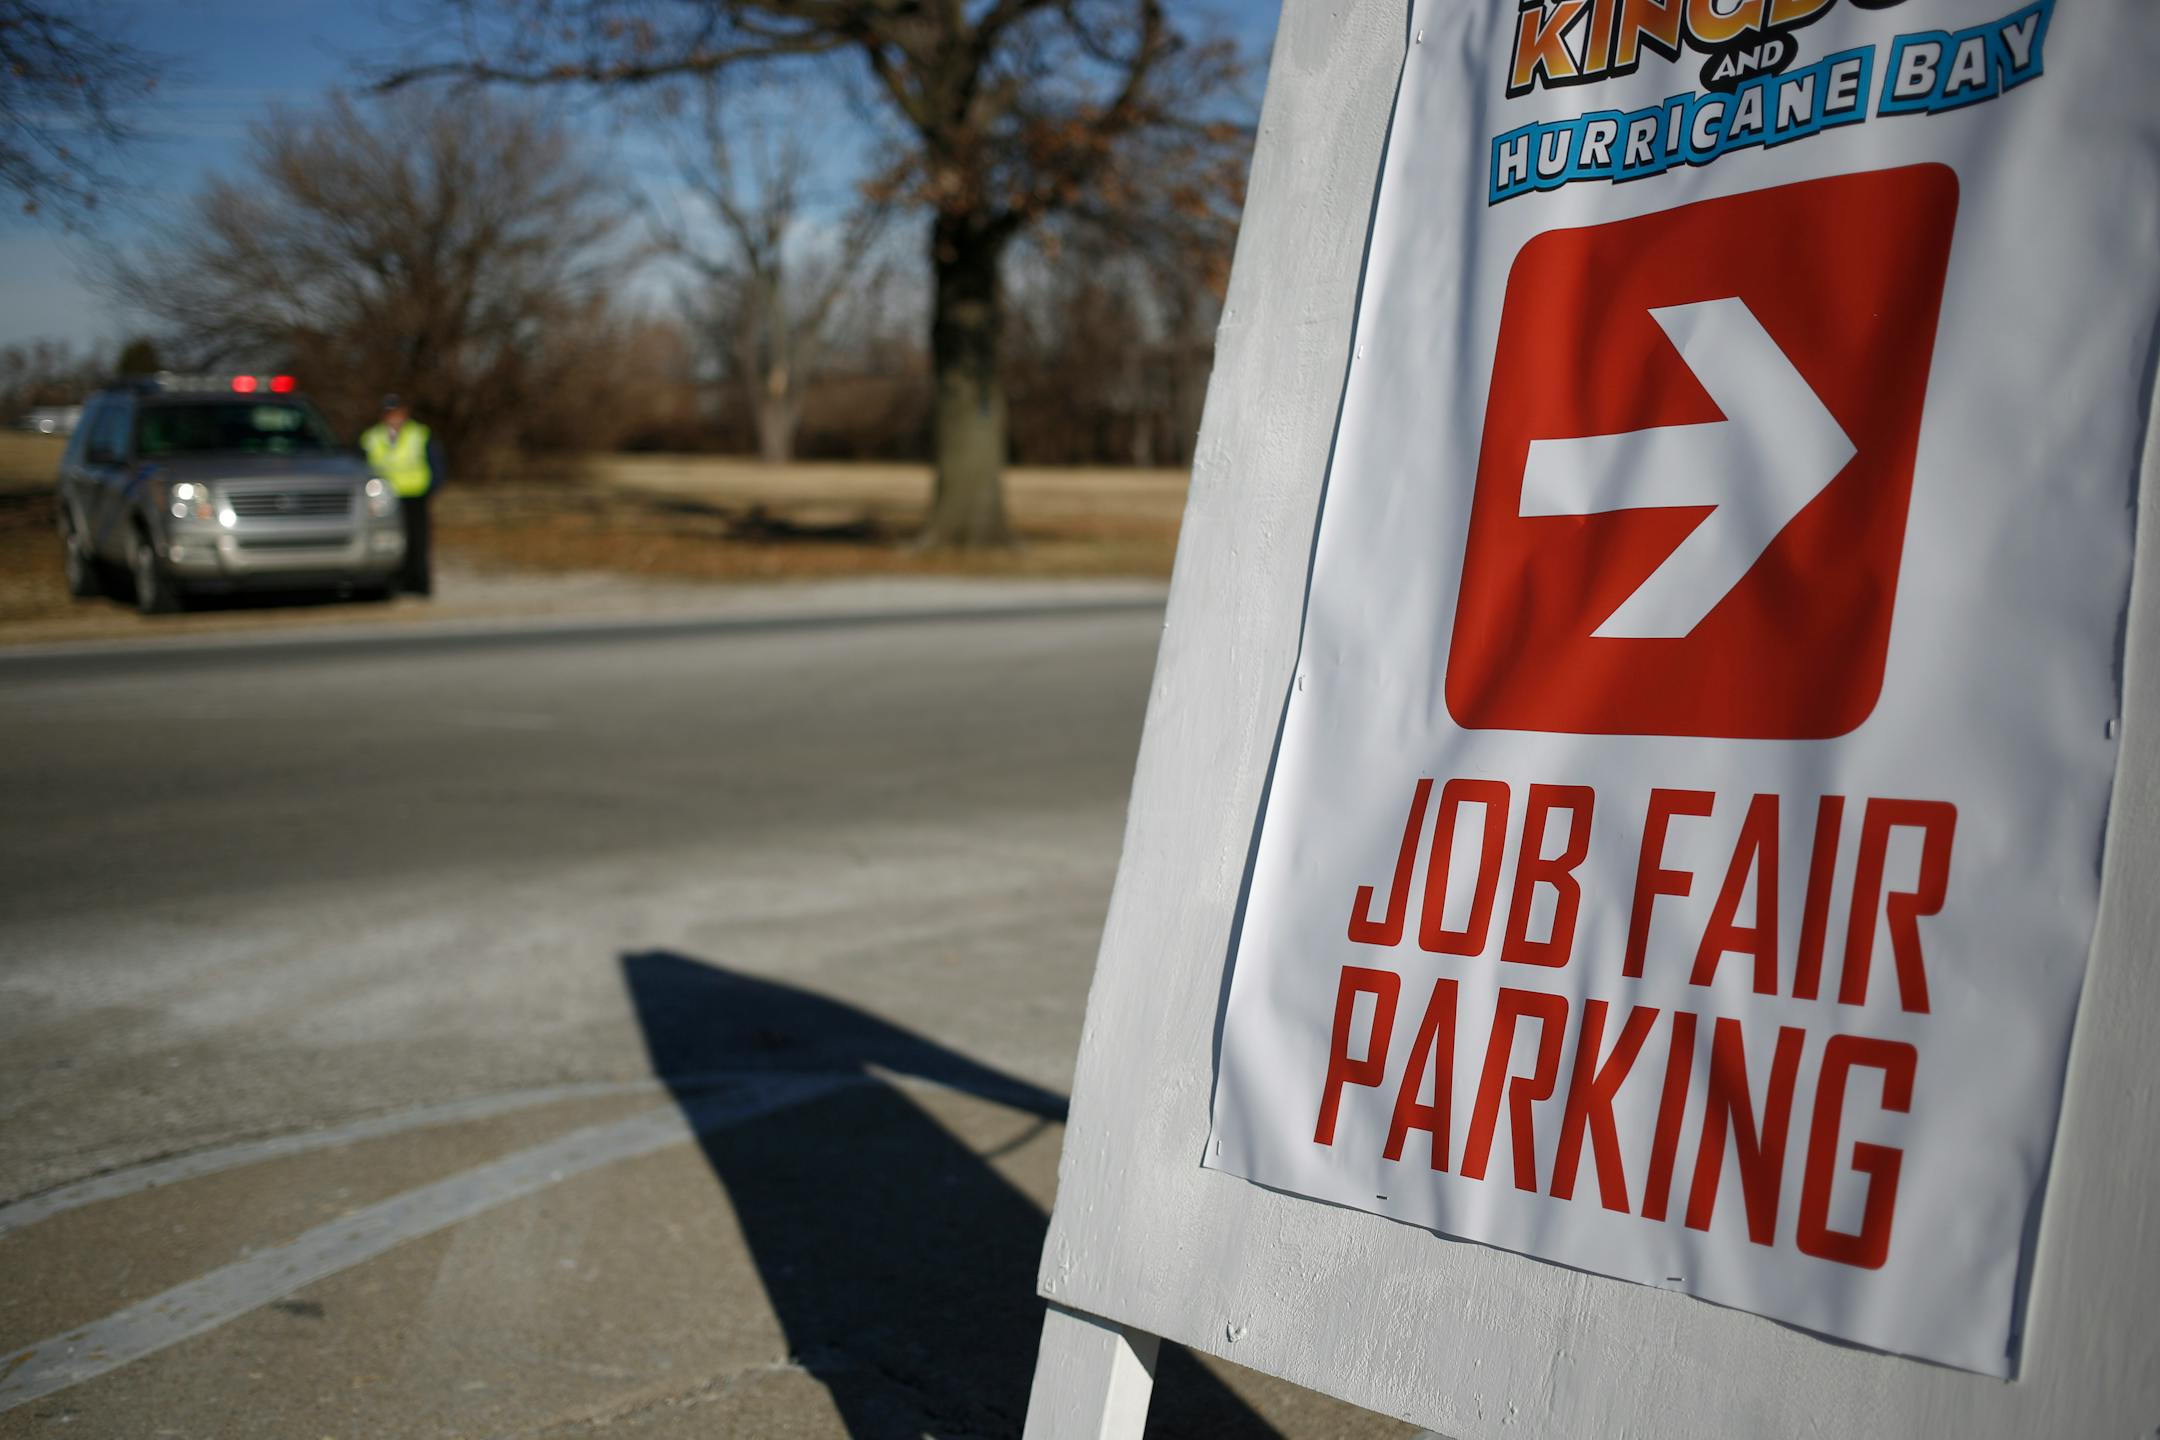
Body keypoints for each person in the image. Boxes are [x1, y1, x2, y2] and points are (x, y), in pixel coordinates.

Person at [358, 395, 443, 596]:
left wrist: (432, 487)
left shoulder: (419, 434)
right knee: (389, 541)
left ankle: (420, 585)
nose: (393, 417)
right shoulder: (371, 437)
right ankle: (394, 585)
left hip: (415, 495)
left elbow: (437, 464)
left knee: (418, 541)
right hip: (385, 498)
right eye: (389, 413)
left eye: (397, 412)